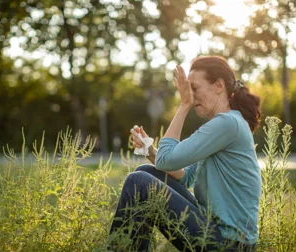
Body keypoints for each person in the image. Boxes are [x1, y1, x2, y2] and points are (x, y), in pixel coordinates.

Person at [108, 56, 261, 252]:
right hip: (217, 234)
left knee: (139, 182)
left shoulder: (227, 123)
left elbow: (166, 160)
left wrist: (184, 106)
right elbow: (186, 177)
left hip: (229, 244)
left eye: (195, 88)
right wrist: (150, 151)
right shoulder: (223, 124)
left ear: (219, 85)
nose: (191, 95)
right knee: (147, 172)